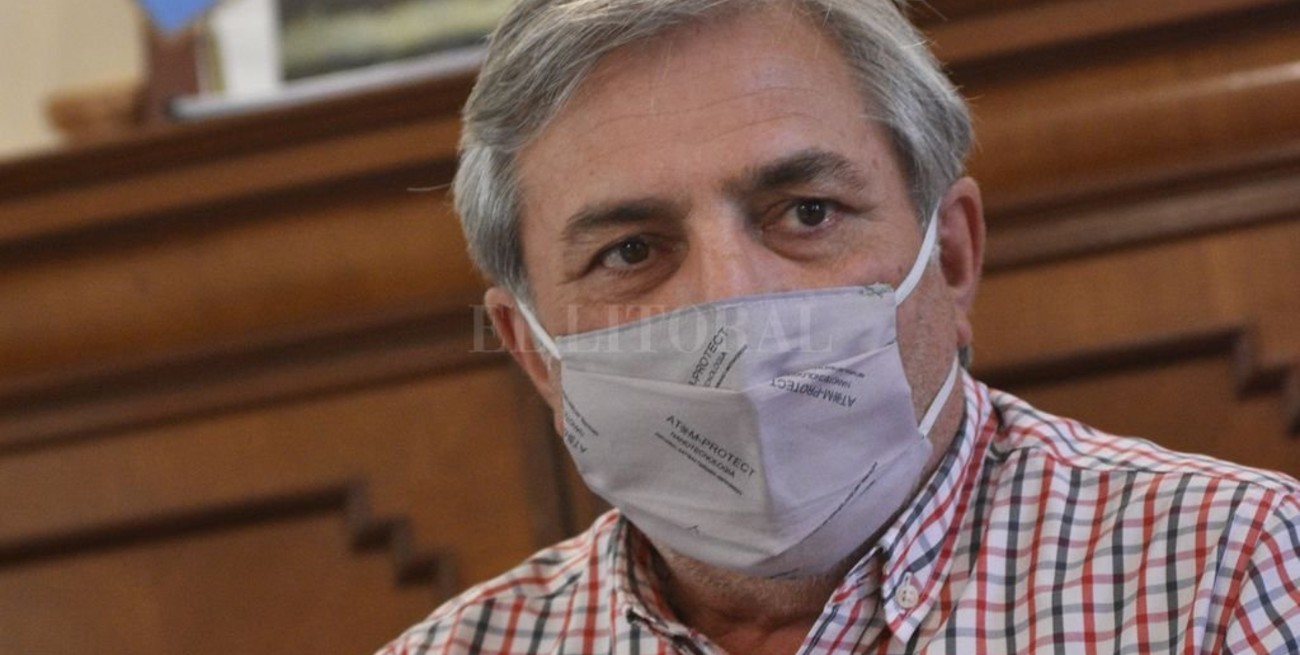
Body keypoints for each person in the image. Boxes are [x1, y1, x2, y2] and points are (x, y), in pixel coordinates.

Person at [380, 1, 1300, 653]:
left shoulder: (1235, 576)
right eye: (631, 250)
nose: (731, 301)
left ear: (950, 256)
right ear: (537, 355)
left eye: (807, 212)